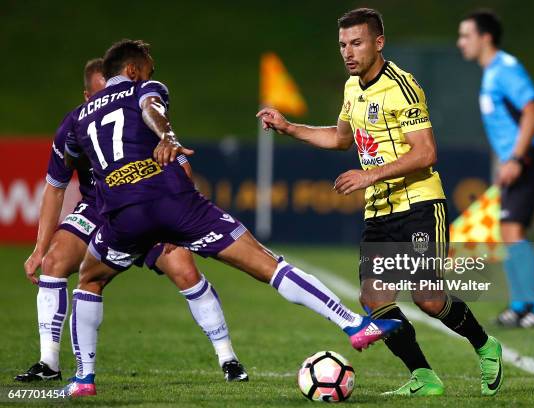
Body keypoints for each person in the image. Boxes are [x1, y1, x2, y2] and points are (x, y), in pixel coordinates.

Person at [60, 40, 400, 397]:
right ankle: (351, 324)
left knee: (89, 281)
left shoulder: (78, 117)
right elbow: (150, 108)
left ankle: (84, 378)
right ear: (132, 71)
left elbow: (70, 161)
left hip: (122, 213)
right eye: (148, 68)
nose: (151, 74)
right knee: (269, 265)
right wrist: (168, 135)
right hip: (174, 202)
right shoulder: (145, 89)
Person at [258, 8, 502, 397]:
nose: (348, 53)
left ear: (378, 43)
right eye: (342, 45)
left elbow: (425, 152)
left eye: (356, 43)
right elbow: (340, 138)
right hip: (380, 211)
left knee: (428, 298)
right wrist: (289, 127)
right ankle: (424, 377)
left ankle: (485, 345)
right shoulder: (351, 88)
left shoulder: (403, 86)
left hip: (420, 203)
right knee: (374, 301)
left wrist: (369, 175)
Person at [15, 58, 248, 386]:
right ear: (86, 96)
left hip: (148, 202)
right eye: (96, 95)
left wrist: (178, 216)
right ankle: (49, 362)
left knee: (185, 271)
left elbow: (180, 163)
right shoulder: (73, 126)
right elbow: (54, 189)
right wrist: (38, 249)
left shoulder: (138, 112)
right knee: (54, 261)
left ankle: (229, 359)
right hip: (98, 207)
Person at [457, 9, 534, 328]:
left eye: (466, 35)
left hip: (529, 160)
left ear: (486, 37)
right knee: (507, 232)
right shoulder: (491, 72)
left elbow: (532, 113)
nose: (460, 43)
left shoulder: (506, 69)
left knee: (512, 231)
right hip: (516, 162)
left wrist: (515, 159)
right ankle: (520, 305)